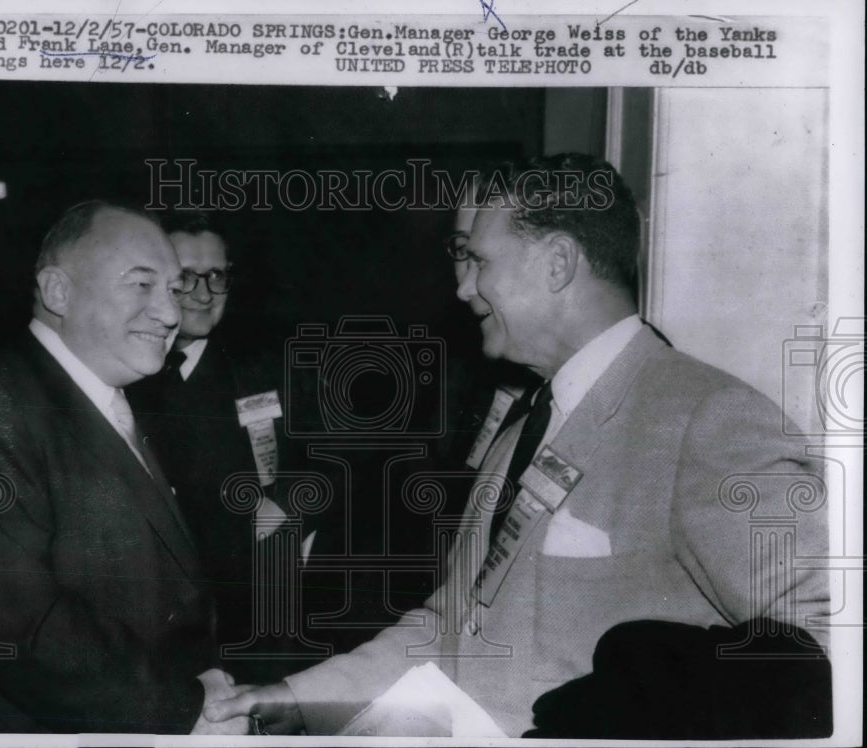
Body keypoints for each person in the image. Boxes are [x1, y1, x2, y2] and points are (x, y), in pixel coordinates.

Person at [204, 154, 831, 737]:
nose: (462, 289)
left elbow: (817, 655)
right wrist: (293, 695)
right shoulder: (522, 431)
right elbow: (449, 626)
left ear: (556, 263)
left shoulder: (707, 418)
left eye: (480, 261)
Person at [0, 201, 247, 734]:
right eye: (141, 284)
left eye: (172, 290)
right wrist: (184, 709)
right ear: (58, 291)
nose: (171, 314)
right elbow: (13, 624)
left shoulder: (111, 396)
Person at [128, 212, 301, 684]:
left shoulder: (264, 369)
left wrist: (286, 503)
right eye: (186, 278)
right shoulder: (121, 375)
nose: (203, 295)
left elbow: (329, 461)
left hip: (250, 621)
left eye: (216, 276)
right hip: (147, 623)